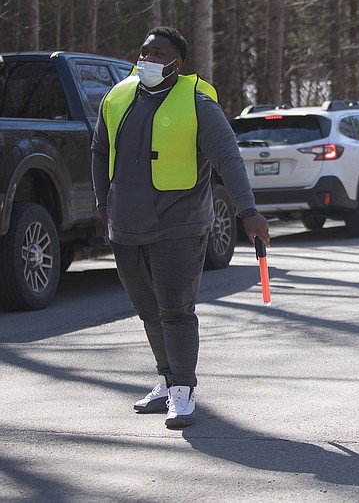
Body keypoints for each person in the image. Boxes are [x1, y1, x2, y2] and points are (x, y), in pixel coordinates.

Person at [91, 26, 271, 429]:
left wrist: (248, 212)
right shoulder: (118, 97)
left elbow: (228, 159)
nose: (149, 60)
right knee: (148, 311)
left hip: (181, 226)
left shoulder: (197, 104)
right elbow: (100, 150)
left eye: (159, 54)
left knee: (175, 310)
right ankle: (167, 379)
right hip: (126, 226)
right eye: (145, 51)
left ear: (178, 62)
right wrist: (103, 203)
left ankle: (183, 390)